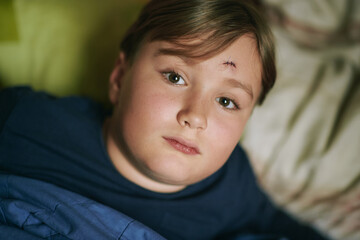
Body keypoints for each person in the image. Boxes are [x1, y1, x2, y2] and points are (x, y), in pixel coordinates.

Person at [0, 0, 329, 239]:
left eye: (227, 101)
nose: (195, 116)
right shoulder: (28, 123)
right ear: (119, 78)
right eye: (175, 78)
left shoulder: (232, 184)